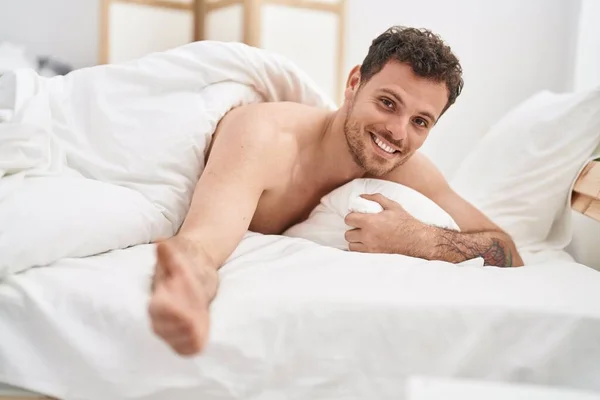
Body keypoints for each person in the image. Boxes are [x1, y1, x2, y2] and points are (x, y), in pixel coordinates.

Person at [148, 26, 524, 356]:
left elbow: (506, 250)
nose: (398, 131)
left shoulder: (408, 170)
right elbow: (202, 244)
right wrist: (186, 295)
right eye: (388, 103)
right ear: (354, 83)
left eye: (420, 122)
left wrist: (421, 240)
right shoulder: (264, 138)